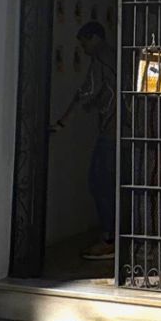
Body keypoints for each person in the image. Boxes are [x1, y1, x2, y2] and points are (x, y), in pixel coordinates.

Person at [52, 21, 115, 261]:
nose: (84, 49)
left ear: (95, 38)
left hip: (112, 131)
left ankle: (109, 239)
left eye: (84, 43)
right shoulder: (115, 57)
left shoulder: (101, 59)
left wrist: (62, 122)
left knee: (100, 182)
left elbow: (87, 91)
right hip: (124, 130)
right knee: (112, 183)